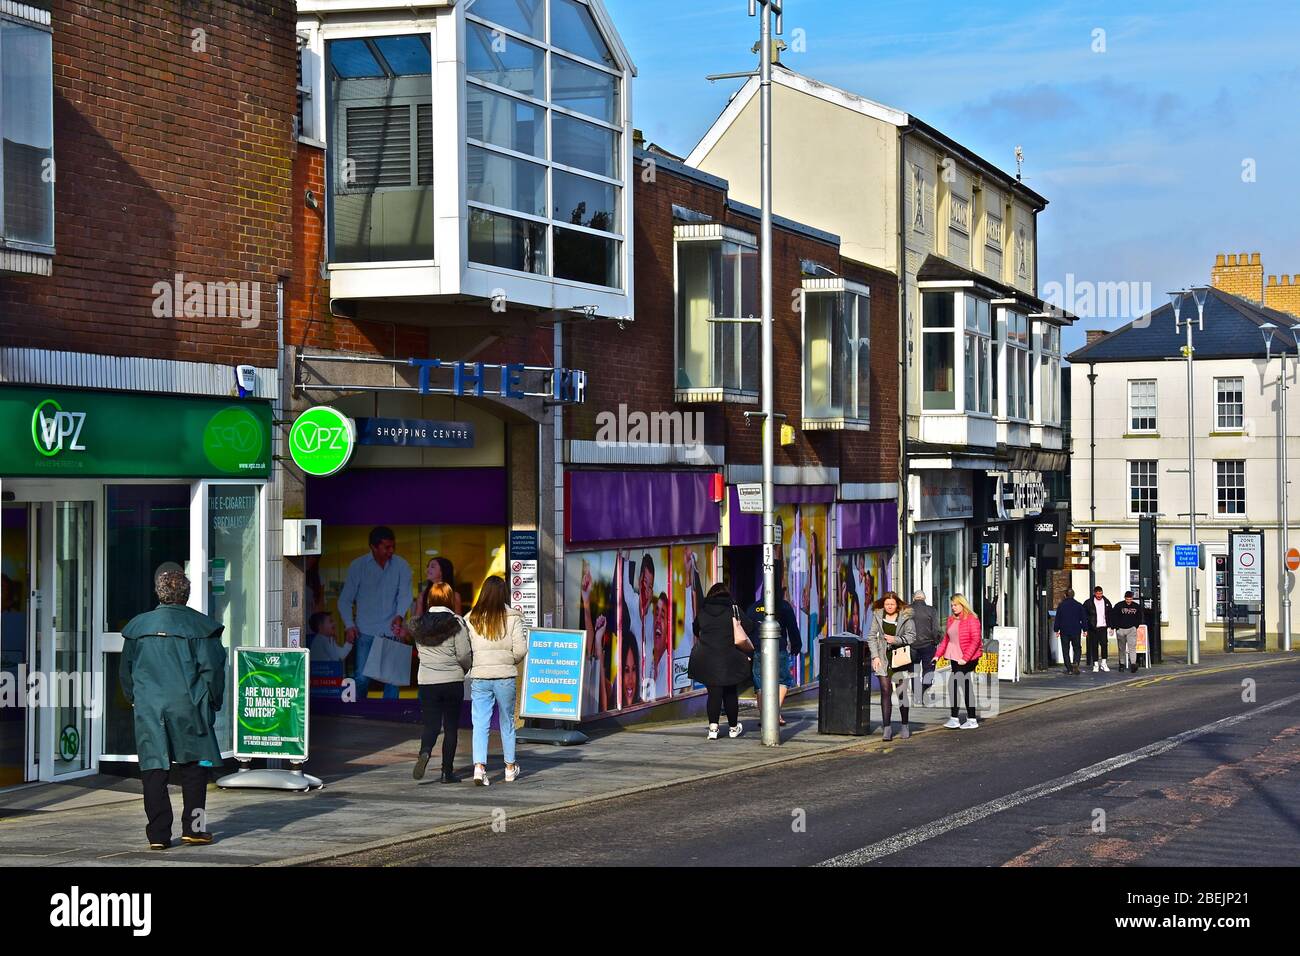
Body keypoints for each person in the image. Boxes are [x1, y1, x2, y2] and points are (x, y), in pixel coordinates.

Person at [120, 570, 225, 849]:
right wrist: (213, 700)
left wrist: (136, 699)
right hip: (190, 707)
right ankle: (195, 829)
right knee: (198, 767)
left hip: (149, 709)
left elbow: (126, 672)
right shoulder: (202, 627)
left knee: (154, 768)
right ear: (186, 594)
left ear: (159, 592)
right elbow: (213, 671)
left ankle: (158, 835)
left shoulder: (138, 628)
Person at [339, 526, 413, 700]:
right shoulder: (358, 566)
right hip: (365, 632)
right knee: (362, 678)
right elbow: (345, 600)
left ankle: (390, 717)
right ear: (373, 546)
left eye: (393, 546)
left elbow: (405, 594)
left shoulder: (401, 565)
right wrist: (349, 625)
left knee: (392, 681)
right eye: (386, 547)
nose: (391, 551)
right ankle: (360, 713)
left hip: (390, 631)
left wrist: (400, 615)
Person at [466, 576, 528, 786]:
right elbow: (521, 650)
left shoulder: (471, 619)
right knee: (507, 722)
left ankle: (479, 768)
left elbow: (467, 651)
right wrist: (507, 661)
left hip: (480, 677)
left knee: (480, 723)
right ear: (504, 594)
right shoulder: (513, 618)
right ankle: (510, 768)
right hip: (505, 677)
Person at [410, 582, 472, 783]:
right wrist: (464, 669)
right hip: (452, 680)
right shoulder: (457, 622)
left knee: (431, 725)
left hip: (427, 681)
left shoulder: (419, 623)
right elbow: (463, 654)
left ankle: (425, 751)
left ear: (430, 599)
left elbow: (420, 652)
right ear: (449, 599)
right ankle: (447, 772)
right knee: (451, 727)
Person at [688, 583, 754, 740]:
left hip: (706, 657)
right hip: (729, 657)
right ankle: (732, 728)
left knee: (714, 693)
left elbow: (696, 629)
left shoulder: (703, 610)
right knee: (730, 692)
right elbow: (749, 627)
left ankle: (713, 728)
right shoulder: (733, 609)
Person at [747, 584, 802, 727]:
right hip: (779, 649)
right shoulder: (783, 607)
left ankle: (766, 716)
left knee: (760, 683)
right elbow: (792, 627)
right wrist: (796, 644)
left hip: (759, 650)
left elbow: (748, 629)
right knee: (783, 680)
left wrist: (749, 650)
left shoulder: (754, 608)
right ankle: (774, 712)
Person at [866, 592, 917, 741]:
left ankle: (904, 724)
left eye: (892, 604)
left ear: (897, 605)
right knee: (885, 691)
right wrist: (875, 656)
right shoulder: (878, 615)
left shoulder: (906, 617)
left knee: (901, 692)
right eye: (887, 604)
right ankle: (887, 728)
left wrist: (895, 639)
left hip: (900, 659)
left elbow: (911, 637)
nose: (889, 607)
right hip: (883, 658)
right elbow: (871, 637)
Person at [937, 594, 983, 730]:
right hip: (954, 657)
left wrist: (965, 658)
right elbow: (946, 639)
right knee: (962, 685)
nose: (953, 607)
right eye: (951, 605)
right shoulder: (951, 620)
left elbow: (976, 641)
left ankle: (968, 719)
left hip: (968, 658)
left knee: (956, 684)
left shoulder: (972, 619)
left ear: (962, 604)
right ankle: (958, 718)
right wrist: (937, 655)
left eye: (955, 605)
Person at [909, 590, 942, 689]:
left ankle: (917, 694)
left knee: (914, 671)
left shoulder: (907, 609)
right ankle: (923, 689)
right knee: (928, 671)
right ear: (925, 598)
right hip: (928, 645)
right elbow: (935, 629)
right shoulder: (931, 610)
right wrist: (936, 641)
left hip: (911, 646)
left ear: (913, 598)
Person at [1053, 588, 1086, 675]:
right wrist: (1085, 629)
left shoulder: (1061, 605)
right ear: (1073, 595)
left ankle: (1069, 669)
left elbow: (1058, 619)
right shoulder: (1079, 605)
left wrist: (1056, 630)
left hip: (1064, 630)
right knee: (1077, 648)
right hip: (1076, 630)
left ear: (1065, 595)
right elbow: (1083, 618)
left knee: (1065, 649)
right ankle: (1076, 662)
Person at [1084, 585, 1113, 673]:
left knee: (1104, 645)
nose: (1099, 595)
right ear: (1094, 593)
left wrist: (1111, 627)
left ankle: (1104, 663)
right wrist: (1085, 628)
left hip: (1103, 627)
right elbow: (1084, 615)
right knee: (1094, 646)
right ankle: (1095, 664)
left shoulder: (1106, 602)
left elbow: (1110, 614)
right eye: (1098, 594)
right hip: (1093, 627)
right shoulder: (1089, 603)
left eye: (1101, 593)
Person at [1113, 591, 1143, 673]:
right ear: (1125, 598)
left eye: (1130, 599)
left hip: (1131, 630)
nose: (1128, 601)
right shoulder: (1119, 606)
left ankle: (1133, 664)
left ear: (1132, 598)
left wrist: (1135, 626)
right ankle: (1121, 664)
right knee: (1121, 648)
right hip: (1121, 629)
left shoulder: (1136, 606)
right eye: (1127, 599)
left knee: (1132, 647)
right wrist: (1116, 627)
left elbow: (1139, 617)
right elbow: (1114, 616)